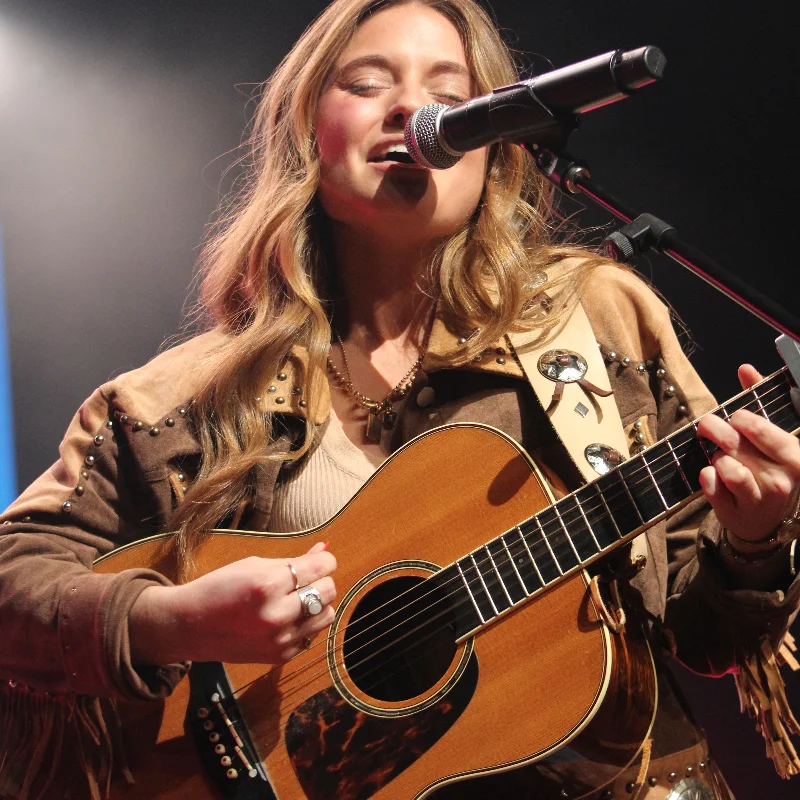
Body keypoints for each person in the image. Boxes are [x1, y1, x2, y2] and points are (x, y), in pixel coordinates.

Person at [1, 0, 799, 797]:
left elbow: (707, 638)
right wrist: (170, 623)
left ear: (495, 142)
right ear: (307, 129)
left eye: (448, 92)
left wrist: (755, 540)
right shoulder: (180, 401)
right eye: (366, 81)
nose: (413, 109)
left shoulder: (599, 324)